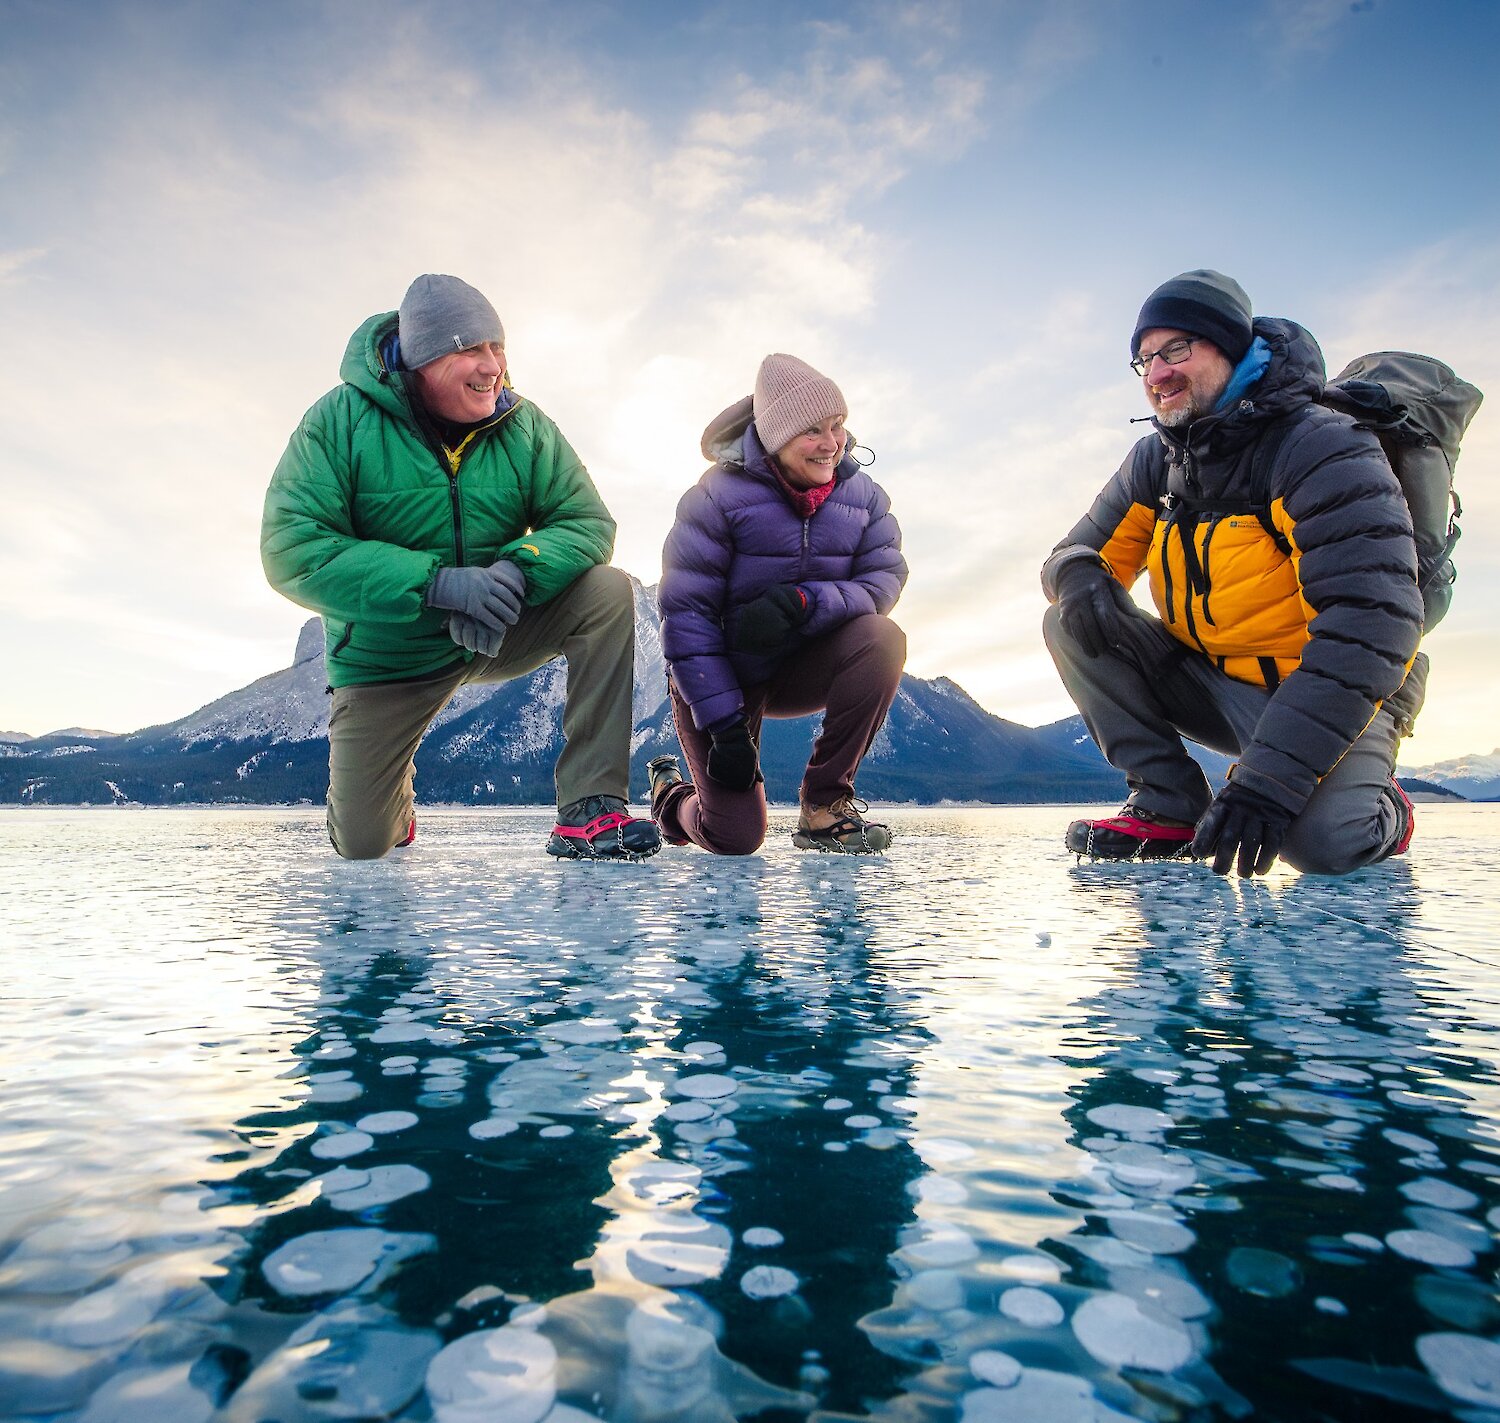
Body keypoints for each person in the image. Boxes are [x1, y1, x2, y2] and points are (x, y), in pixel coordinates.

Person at [261, 273, 660, 862]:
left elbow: (587, 521)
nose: (493, 365)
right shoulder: (338, 423)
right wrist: (438, 585)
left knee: (606, 592)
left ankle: (589, 808)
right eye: (471, 348)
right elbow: (291, 547)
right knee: (364, 846)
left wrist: (517, 572)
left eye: (497, 347)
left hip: (500, 628)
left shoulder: (523, 425)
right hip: (388, 658)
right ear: (422, 360)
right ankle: (393, 803)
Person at [1041, 270, 1424, 877]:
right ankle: (1168, 802)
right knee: (1070, 619)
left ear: (1231, 347)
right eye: (1144, 359)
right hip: (1212, 682)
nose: (1157, 373)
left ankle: (1386, 809)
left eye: (1177, 350)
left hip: (1328, 686)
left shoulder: (1317, 446)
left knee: (1322, 847)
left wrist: (1268, 783)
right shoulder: (1156, 461)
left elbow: (1369, 629)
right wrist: (1078, 571)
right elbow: (1072, 553)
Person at [651, 354, 907, 855]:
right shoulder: (713, 499)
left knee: (881, 639)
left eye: (838, 426)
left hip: (804, 667)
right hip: (726, 674)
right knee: (735, 837)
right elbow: (686, 617)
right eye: (813, 430)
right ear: (775, 435)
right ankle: (670, 797)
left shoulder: (865, 496)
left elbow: (884, 578)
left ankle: (825, 805)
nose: (831, 444)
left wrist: (807, 602)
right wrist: (724, 727)